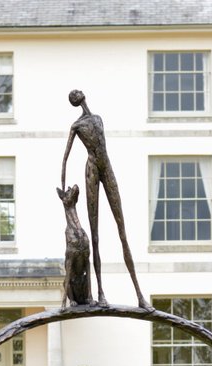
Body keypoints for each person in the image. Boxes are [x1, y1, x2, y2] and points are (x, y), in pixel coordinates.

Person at [60, 89, 150, 309]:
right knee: (96, 236)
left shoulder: (98, 118)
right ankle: (100, 294)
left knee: (122, 232)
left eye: (77, 93)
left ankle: (139, 295)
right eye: (75, 95)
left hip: (106, 167)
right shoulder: (76, 126)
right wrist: (63, 191)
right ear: (76, 100)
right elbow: (65, 158)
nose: (78, 95)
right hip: (92, 170)